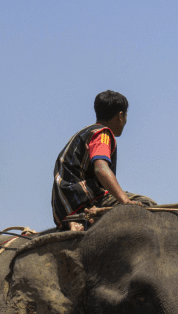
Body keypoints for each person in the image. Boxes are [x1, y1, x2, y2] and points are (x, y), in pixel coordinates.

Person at [52, 90, 135, 230]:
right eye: (126, 115)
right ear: (120, 116)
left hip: (63, 206)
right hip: (84, 201)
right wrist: (126, 202)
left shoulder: (85, 133)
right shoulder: (102, 134)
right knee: (146, 205)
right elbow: (101, 168)